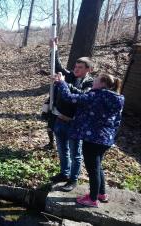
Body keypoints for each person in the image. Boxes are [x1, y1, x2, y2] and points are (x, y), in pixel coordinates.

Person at [54, 73, 124, 208]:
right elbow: (117, 121)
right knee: (98, 166)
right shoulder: (117, 98)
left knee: (93, 169)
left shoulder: (95, 96)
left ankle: (92, 199)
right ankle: (101, 194)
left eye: (96, 80)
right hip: (106, 138)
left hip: (92, 138)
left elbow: (69, 98)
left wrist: (61, 82)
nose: (93, 83)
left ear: (102, 83)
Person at [49, 39, 94, 192]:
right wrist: (54, 49)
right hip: (60, 121)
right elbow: (58, 66)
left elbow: (82, 96)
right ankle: (64, 174)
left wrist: (64, 84)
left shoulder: (91, 83)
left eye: (80, 67)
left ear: (88, 70)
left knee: (75, 154)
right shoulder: (69, 76)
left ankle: (73, 180)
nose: (76, 69)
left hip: (75, 124)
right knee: (62, 150)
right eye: (75, 66)